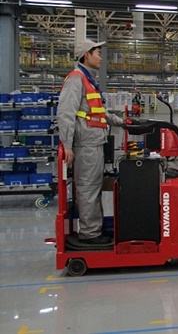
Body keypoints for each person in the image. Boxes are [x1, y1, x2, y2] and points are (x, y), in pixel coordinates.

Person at [57, 39, 126, 245]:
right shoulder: (75, 79)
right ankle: (89, 234)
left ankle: (94, 229)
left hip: (94, 143)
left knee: (94, 187)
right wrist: (67, 145)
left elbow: (99, 112)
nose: (101, 57)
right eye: (97, 53)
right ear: (86, 55)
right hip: (85, 145)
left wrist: (123, 122)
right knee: (88, 188)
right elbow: (65, 114)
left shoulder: (88, 80)